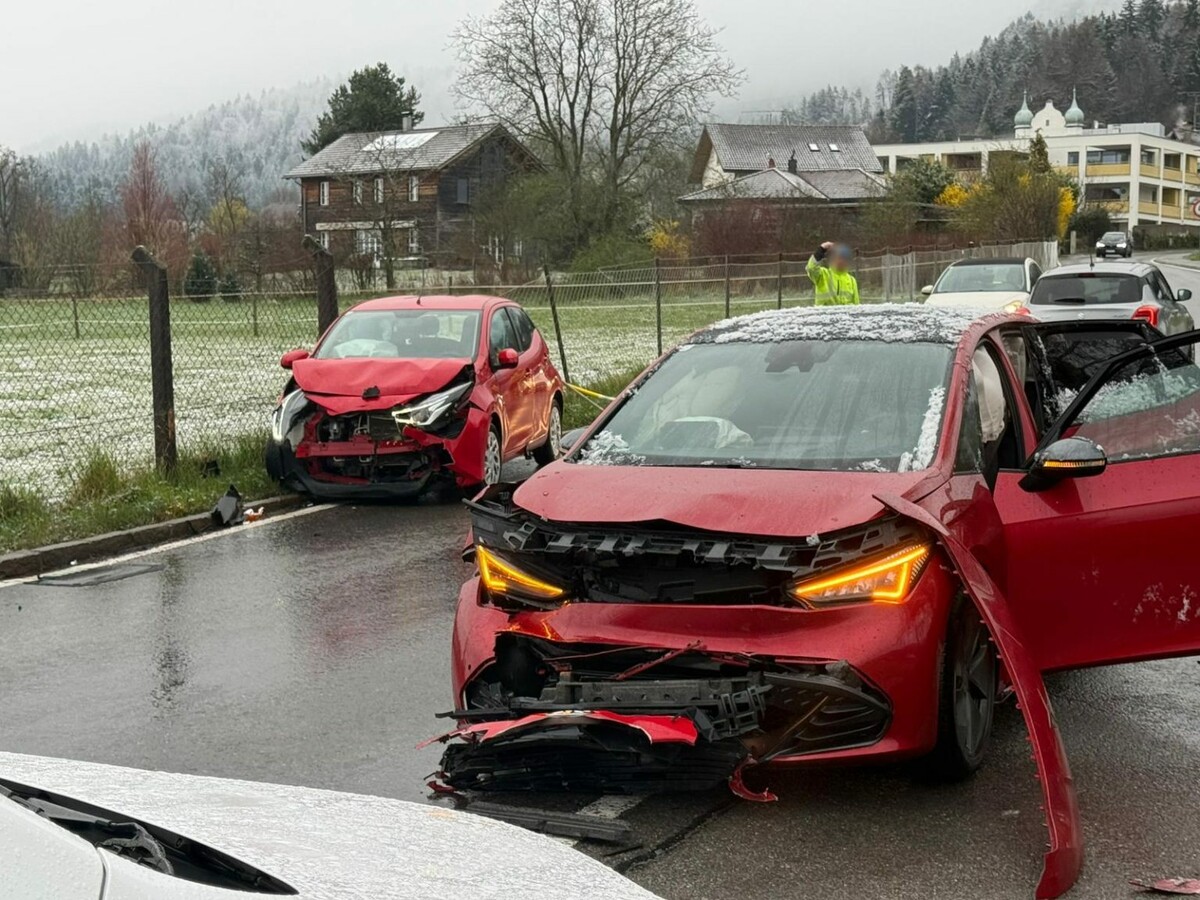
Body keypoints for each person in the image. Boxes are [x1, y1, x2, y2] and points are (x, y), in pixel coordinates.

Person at [806, 241, 860, 306]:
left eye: (845, 258)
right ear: (834, 258)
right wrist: (821, 249)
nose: (842, 261)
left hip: (845, 315)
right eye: (840, 257)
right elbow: (811, 268)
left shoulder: (852, 280)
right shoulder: (823, 275)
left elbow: (856, 305)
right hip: (823, 315)